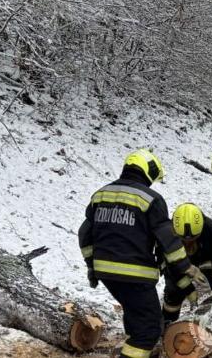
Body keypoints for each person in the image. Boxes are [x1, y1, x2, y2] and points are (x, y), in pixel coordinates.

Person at [78, 149, 204, 358]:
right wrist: (187, 268)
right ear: (148, 172)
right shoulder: (150, 199)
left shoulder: (101, 194)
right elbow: (168, 240)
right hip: (136, 274)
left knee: (135, 314)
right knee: (149, 330)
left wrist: (92, 267)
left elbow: (84, 234)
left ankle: (134, 346)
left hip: (106, 273)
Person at [161, 202, 212, 323]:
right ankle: (167, 323)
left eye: (193, 239)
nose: (188, 243)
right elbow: (171, 270)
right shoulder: (167, 234)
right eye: (183, 240)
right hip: (180, 268)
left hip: (206, 263)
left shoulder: (211, 229)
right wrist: (191, 292)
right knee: (173, 290)